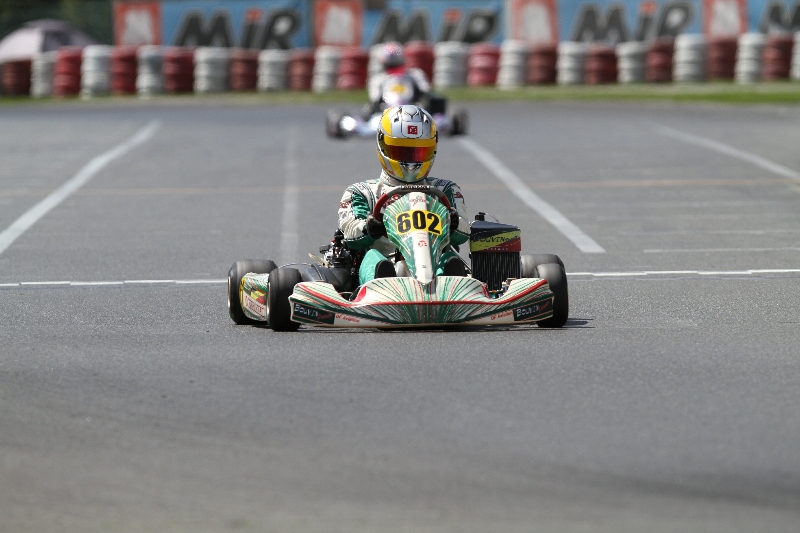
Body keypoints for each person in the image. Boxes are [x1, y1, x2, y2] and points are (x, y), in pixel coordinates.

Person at [338, 104, 469, 285]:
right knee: (373, 258)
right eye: (401, 151)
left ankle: (449, 282)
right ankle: (383, 282)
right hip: (386, 266)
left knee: (449, 260)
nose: (410, 161)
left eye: (419, 152)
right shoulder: (363, 192)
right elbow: (350, 233)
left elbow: (464, 231)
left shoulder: (444, 190)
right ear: (383, 146)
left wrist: (453, 224)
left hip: (434, 270)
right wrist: (369, 228)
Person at [365, 42, 434, 117]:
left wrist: (422, 99)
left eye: (396, 64)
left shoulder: (414, 75)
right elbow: (374, 98)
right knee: (368, 109)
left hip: (414, 111)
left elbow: (425, 91)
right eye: (391, 66)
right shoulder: (378, 79)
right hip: (386, 112)